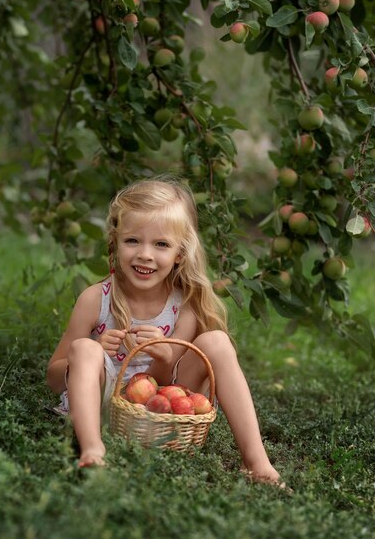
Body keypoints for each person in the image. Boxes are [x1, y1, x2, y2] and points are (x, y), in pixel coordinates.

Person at [47, 177, 282, 485]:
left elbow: (166, 384)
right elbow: (53, 376)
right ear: (115, 242)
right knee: (84, 348)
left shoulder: (182, 305)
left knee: (217, 341)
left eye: (161, 244)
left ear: (180, 254)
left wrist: (163, 356)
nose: (145, 254)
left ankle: (256, 462)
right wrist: (93, 351)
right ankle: (93, 450)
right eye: (133, 241)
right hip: (103, 404)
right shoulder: (95, 300)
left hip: (159, 406)